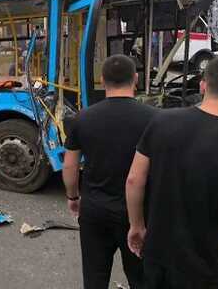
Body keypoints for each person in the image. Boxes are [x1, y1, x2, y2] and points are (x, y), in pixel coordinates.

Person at [125, 55, 218, 288]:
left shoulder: (161, 121)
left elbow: (134, 180)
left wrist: (137, 226)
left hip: (158, 259)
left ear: (204, 84)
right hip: (208, 269)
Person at [63, 55, 156, 289]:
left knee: (94, 277)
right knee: (141, 277)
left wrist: (73, 197)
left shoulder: (81, 119)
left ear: (102, 80)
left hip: (94, 210)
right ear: (135, 79)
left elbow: (70, 165)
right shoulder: (155, 119)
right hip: (139, 213)